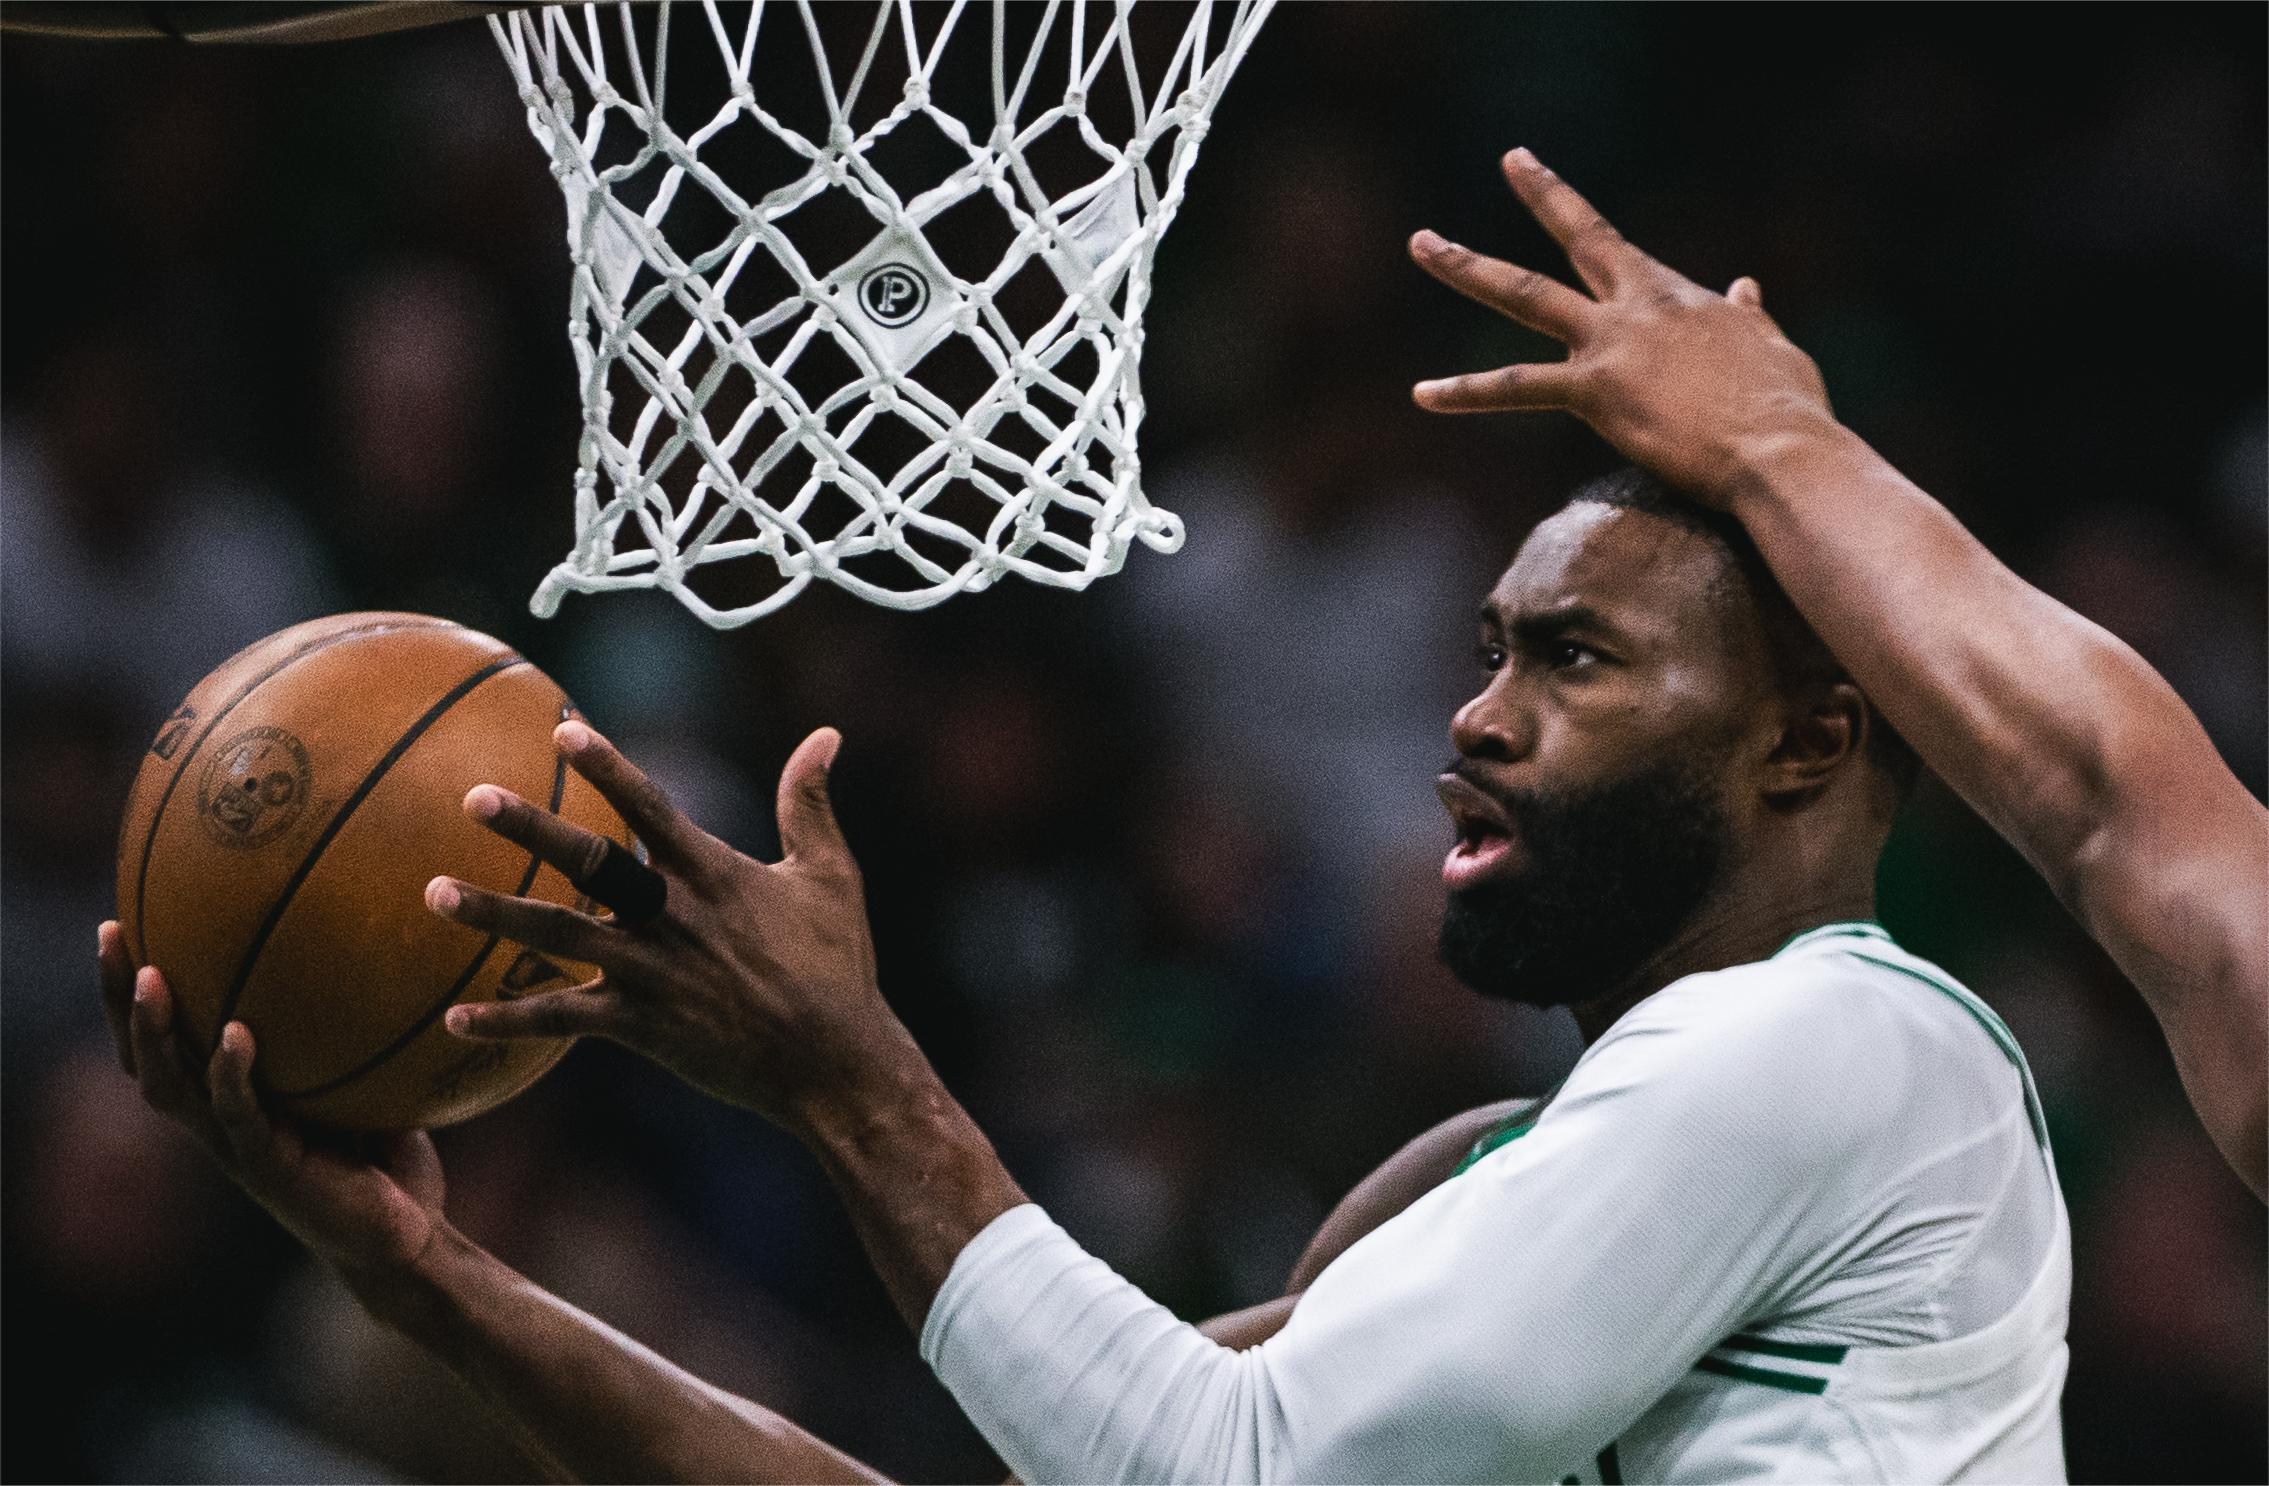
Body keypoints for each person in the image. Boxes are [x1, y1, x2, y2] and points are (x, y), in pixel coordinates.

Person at [102, 449, 2072, 1478]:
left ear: (1807, 742)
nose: (1475, 715)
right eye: (1485, 649)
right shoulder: (1487, 1187)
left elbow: (1218, 1470)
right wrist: (426, 1278)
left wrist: (838, 1065)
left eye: (1571, 658)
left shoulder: (1847, 1039)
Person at [1407, 150, 2268, 1200]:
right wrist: (1770, 445)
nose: (1480, 716)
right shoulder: (1485, 1164)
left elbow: (2107, 801)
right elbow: (2109, 806)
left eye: (1571, 658)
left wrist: (1771, 443)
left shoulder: (1829, 1059)